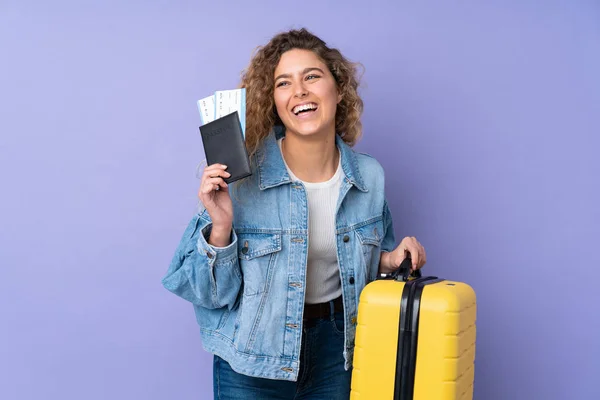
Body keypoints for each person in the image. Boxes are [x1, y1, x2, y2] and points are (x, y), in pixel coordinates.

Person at [162, 28, 427, 400]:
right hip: (253, 358)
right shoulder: (240, 178)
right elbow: (204, 293)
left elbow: (362, 267)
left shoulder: (370, 176)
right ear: (274, 102)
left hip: (339, 353)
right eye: (283, 83)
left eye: (312, 76)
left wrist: (391, 260)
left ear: (338, 88)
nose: (299, 91)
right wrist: (220, 228)